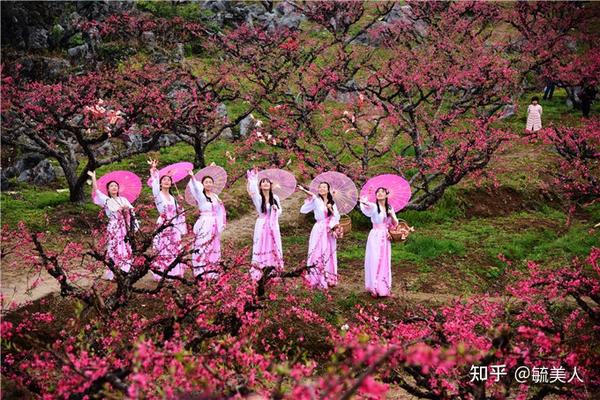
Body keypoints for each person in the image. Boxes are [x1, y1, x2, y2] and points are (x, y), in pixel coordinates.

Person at [88, 170, 136, 281]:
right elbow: (97, 191)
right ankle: (115, 271)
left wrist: (126, 209)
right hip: (114, 226)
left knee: (125, 246)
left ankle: (126, 269)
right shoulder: (107, 200)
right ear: (108, 189)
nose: (114, 187)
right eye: (111, 186)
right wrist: (94, 178)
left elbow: (132, 211)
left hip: (124, 226)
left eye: (115, 186)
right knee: (114, 246)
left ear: (118, 189)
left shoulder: (123, 199)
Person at [148, 158, 187, 280]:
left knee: (174, 247)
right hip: (164, 224)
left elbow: (178, 212)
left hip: (173, 225)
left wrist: (180, 203)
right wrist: (154, 172)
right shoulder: (158, 195)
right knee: (163, 247)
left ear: (171, 183)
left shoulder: (172, 197)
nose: (166, 181)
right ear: (160, 183)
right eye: (164, 180)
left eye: (169, 180)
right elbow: (154, 188)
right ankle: (163, 271)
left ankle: (173, 271)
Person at [299, 182, 340, 289]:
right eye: (320, 187)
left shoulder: (332, 202)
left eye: (324, 187)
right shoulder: (316, 200)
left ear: (328, 190)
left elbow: (336, 217)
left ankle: (328, 277)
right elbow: (303, 210)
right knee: (317, 250)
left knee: (329, 251)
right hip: (319, 229)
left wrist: (330, 209)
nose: (322, 189)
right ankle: (316, 277)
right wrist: (308, 197)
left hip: (329, 230)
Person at [360, 188, 399, 297]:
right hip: (375, 235)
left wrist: (391, 214)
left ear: (387, 195)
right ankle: (373, 286)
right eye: (378, 192)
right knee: (374, 259)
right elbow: (365, 205)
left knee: (384, 260)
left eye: (382, 192)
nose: (380, 193)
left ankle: (383, 287)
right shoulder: (373, 207)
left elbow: (395, 223)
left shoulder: (390, 208)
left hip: (385, 236)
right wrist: (364, 199)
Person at [187, 170, 226, 280]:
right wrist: (193, 177)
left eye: (210, 182)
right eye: (206, 182)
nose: (208, 184)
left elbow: (219, 211)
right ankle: (201, 270)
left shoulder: (215, 196)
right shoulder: (201, 196)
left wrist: (221, 221)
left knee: (214, 245)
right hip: (205, 222)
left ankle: (212, 270)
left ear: (213, 184)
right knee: (203, 244)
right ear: (202, 184)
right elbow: (195, 188)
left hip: (214, 223)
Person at [247, 169, 284, 280]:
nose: (266, 183)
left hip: (273, 224)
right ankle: (260, 266)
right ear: (260, 186)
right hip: (262, 224)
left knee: (273, 243)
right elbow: (253, 190)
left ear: (271, 185)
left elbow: (280, 211)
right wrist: (254, 178)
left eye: (267, 181)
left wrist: (275, 209)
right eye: (263, 182)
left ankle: (273, 267)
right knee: (261, 244)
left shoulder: (275, 198)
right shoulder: (258, 198)